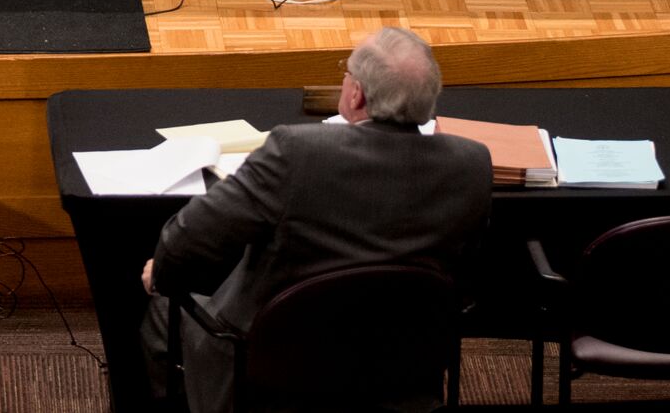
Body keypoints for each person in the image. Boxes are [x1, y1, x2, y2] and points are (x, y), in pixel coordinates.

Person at [140, 26, 491, 413]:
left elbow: (185, 241)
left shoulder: (297, 150)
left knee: (162, 306)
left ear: (356, 93)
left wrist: (163, 273)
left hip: (278, 359)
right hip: (402, 359)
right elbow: (466, 266)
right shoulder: (471, 164)